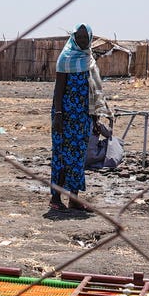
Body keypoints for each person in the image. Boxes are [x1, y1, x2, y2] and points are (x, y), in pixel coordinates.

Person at [50, 24, 113, 213]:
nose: (83, 41)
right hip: (65, 116)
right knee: (61, 156)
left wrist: (94, 120)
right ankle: (55, 199)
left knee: (78, 158)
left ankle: (74, 199)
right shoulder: (65, 59)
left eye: (86, 38)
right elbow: (58, 91)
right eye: (80, 37)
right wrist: (58, 115)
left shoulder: (89, 60)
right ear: (74, 38)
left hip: (83, 117)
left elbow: (93, 92)